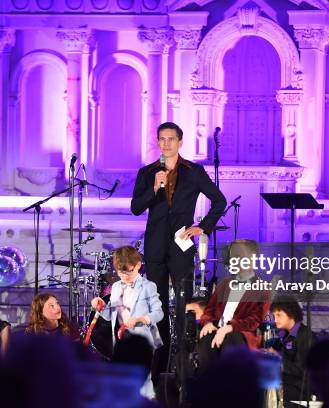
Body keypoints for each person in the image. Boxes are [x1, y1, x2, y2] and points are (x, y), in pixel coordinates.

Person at [131, 121, 227, 377]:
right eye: (161, 139)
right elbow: (136, 208)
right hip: (155, 245)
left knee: (185, 301)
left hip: (181, 245)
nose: (166, 143)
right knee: (158, 302)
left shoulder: (194, 171)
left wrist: (202, 227)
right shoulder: (147, 172)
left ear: (180, 142)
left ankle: (184, 360)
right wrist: (153, 188)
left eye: (170, 139)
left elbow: (219, 201)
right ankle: (161, 360)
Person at [90, 246, 164, 399]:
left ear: (138, 265)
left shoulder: (148, 286)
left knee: (143, 377)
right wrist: (100, 307)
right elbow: (111, 315)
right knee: (123, 377)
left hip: (144, 339)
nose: (124, 276)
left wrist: (141, 319)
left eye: (128, 271)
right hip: (121, 339)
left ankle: (147, 401)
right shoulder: (116, 287)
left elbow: (159, 313)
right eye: (120, 272)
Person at [197, 240, 271, 373]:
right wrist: (207, 322)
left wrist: (229, 327)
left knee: (231, 337)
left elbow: (254, 320)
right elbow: (209, 311)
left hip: (241, 333)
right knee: (206, 336)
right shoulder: (224, 284)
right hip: (218, 328)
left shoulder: (263, 288)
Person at [266, 296, 316, 407]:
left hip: (301, 388)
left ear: (291, 314)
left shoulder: (305, 335)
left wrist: (278, 359)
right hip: (286, 382)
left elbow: (302, 370)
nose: (275, 320)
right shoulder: (284, 335)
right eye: (274, 315)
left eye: (279, 315)